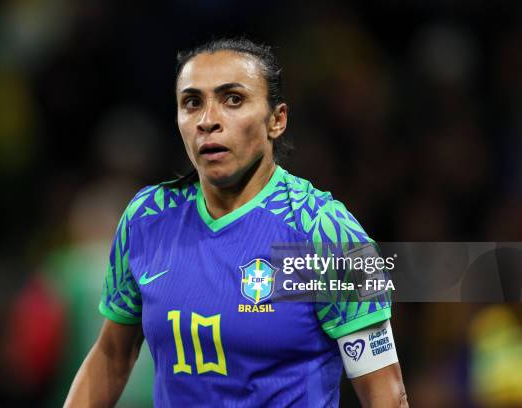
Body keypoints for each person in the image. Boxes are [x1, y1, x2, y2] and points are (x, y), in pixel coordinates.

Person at [64, 38, 407, 407]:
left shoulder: (327, 232)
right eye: (192, 102)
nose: (208, 121)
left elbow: (386, 395)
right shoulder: (147, 218)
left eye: (233, 99)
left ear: (277, 120)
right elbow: (112, 356)